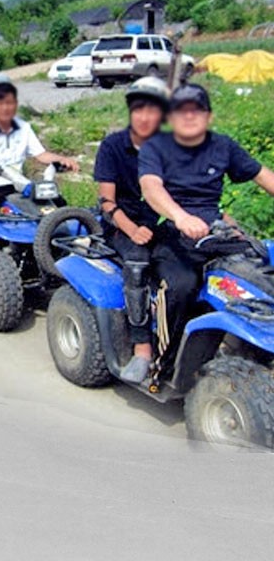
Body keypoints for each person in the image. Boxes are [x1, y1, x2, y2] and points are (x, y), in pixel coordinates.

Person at [138, 83, 274, 382]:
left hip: (216, 234)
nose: (189, 116)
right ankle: (163, 365)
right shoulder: (155, 148)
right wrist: (180, 216)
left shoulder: (222, 146)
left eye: (196, 110)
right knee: (180, 287)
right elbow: (151, 187)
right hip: (174, 233)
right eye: (181, 110)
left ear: (208, 116)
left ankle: (256, 353)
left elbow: (263, 176)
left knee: (260, 277)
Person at [93, 77, 170, 383]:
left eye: (152, 110)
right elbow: (106, 202)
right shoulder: (113, 146)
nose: (145, 116)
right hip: (120, 226)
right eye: (139, 109)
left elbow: (186, 195)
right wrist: (132, 229)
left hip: (158, 224)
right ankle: (142, 349)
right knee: (137, 263)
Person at [0, 82, 79, 271]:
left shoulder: (24, 128)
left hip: (19, 185)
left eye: (10, 103)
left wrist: (62, 159)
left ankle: (63, 255)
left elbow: (41, 155)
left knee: (57, 204)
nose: (6, 108)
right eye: (1, 103)